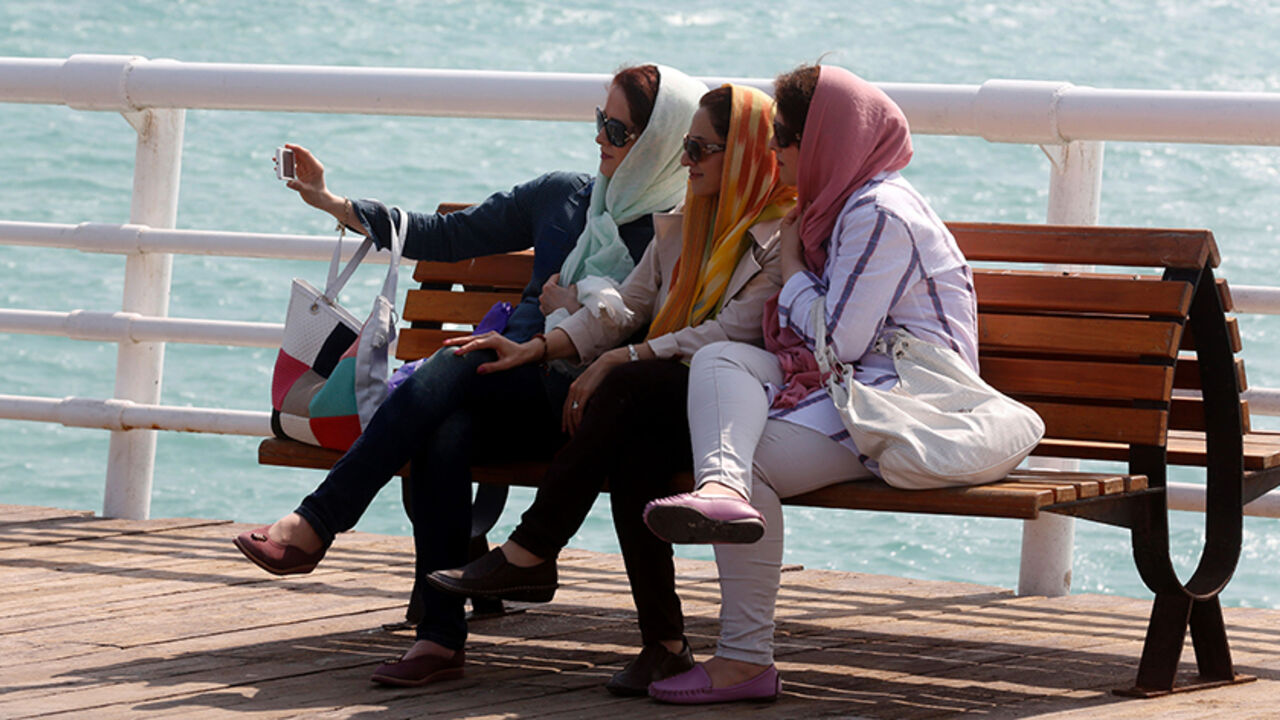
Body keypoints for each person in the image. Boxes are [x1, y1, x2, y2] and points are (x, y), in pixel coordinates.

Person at [233, 64, 708, 687]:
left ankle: (319, 523)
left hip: (587, 413)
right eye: (600, 121)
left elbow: (657, 338)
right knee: (446, 426)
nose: (600, 137)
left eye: (618, 130)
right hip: (509, 390)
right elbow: (449, 235)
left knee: (455, 365)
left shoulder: (675, 229)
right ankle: (438, 639)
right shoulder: (565, 196)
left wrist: (569, 312)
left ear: (657, 142)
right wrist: (332, 202)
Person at [422, 84, 796, 696]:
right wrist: (542, 346)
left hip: (735, 409)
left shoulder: (780, 237)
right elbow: (629, 308)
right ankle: (664, 646)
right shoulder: (687, 224)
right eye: (685, 145)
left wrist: (625, 356)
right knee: (631, 443)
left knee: (627, 391)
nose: (685, 160)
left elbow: (734, 331)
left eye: (701, 148)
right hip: (663, 397)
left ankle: (533, 548)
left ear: (745, 156)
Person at [641, 65, 979, 704]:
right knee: (720, 358)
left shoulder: (879, 213)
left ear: (825, 141)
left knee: (754, 462)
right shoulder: (837, 206)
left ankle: (744, 658)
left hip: (906, 399)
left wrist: (792, 266)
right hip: (852, 384)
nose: (775, 152)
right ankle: (721, 488)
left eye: (785, 138)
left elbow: (838, 341)